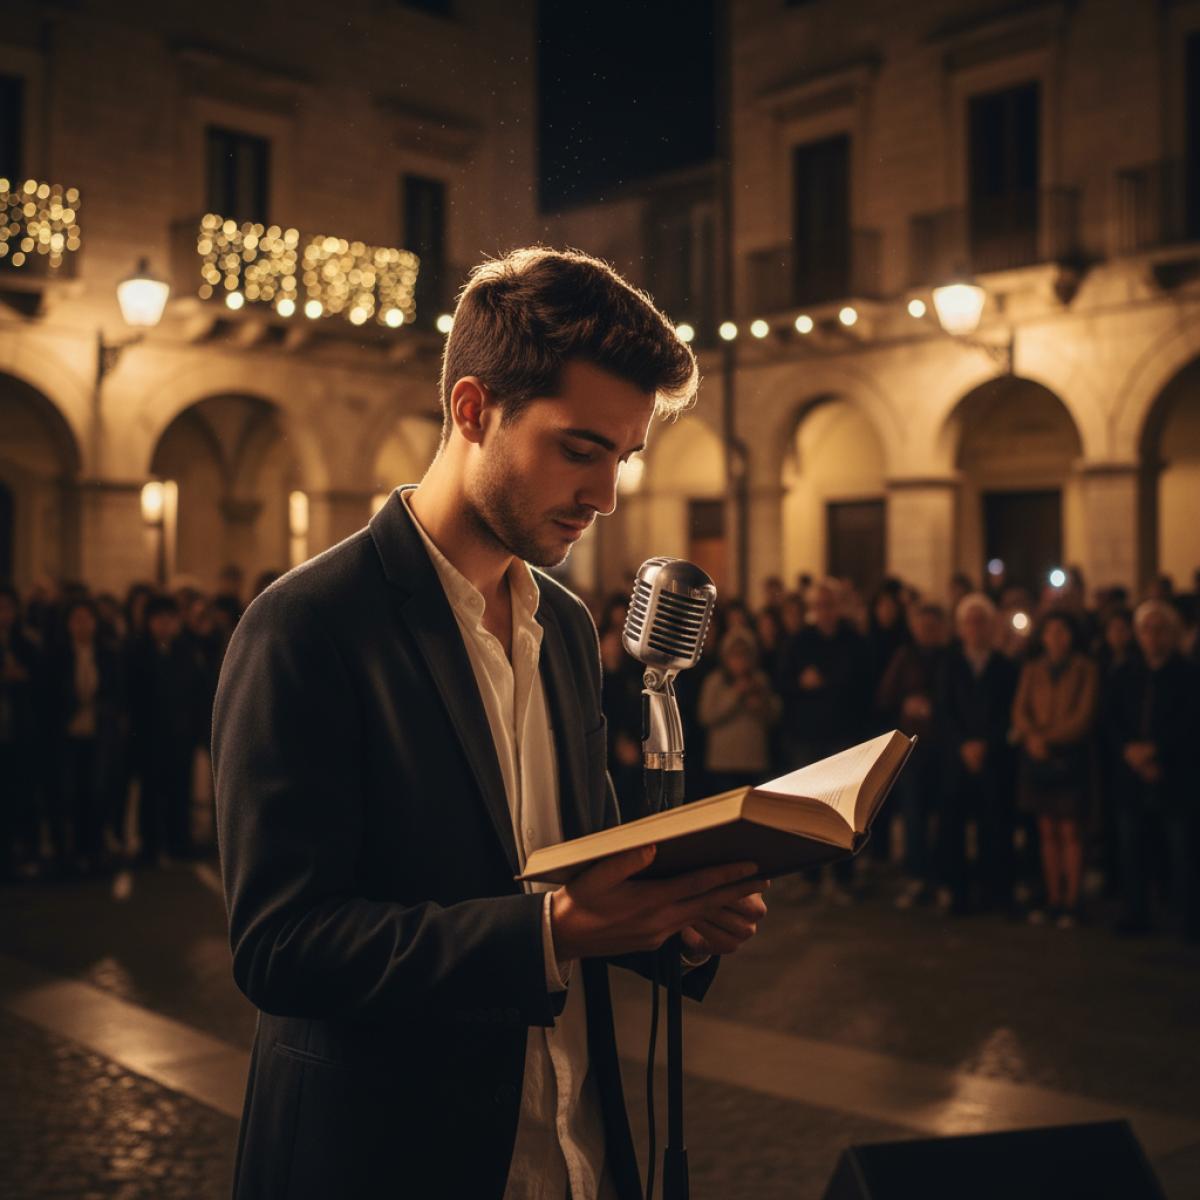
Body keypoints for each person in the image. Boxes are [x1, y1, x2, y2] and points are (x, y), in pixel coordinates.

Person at [212, 247, 769, 1200]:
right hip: (392, 1157)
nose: (606, 497)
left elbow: (583, 870)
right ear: (473, 410)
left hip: (577, 1151)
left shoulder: (566, 628)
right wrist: (547, 933)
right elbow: (281, 945)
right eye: (580, 450)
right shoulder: (307, 623)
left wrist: (676, 918)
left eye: (624, 458)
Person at [1106, 600, 1200, 940]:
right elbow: (1110, 717)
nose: (1153, 637)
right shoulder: (1124, 673)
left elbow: (1190, 721)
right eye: (1147, 630)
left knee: (1183, 849)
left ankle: (1190, 917)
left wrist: (1157, 750)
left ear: (1172, 634)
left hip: (1175, 774)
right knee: (1132, 846)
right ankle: (1136, 911)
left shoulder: (1189, 674)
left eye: (1161, 630)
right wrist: (1130, 750)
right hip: (1131, 773)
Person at [1011, 612, 1098, 928]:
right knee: (1046, 830)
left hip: (1068, 757)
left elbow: (1083, 715)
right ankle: (1054, 897)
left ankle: (1072, 901)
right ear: (1043, 637)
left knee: (1070, 831)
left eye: (1063, 631)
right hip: (1038, 758)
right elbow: (1020, 709)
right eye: (1051, 632)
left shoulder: (1085, 669)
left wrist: (1048, 738)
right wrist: (1033, 737)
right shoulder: (1033, 669)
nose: (1057, 638)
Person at [934, 594, 1018, 916]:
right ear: (960, 628)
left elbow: (1009, 713)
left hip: (993, 758)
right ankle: (957, 891)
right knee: (953, 827)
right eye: (969, 622)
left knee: (994, 826)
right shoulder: (950, 666)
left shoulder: (1005, 667)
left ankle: (993, 890)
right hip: (957, 758)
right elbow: (944, 711)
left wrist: (986, 744)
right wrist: (963, 745)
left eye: (981, 622)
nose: (975, 628)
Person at [875, 602, 947, 908]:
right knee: (914, 815)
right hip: (912, 750)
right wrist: (905, 704)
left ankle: (941, 875)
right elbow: (885, 697)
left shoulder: (949, 657)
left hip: (943, 747)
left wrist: (934, 707)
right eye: (923, 626)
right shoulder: (904, 657)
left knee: (942, 815)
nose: (927, 631)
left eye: (933, 626)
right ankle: (917, 876)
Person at [697, 630, 781, 794]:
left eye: (745, 654)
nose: (740, 660)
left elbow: (774, 715)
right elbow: (706, 716)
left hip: (754, 761)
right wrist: (735, 694)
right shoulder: (715, 681)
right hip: (723, 763)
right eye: (735, 654)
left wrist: (760, 706)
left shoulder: (760, 680)